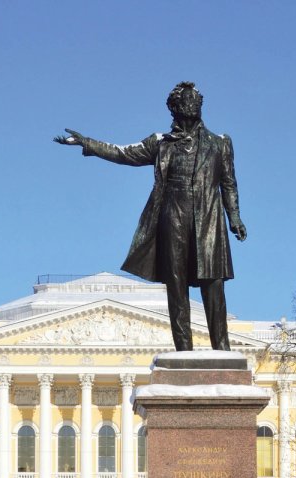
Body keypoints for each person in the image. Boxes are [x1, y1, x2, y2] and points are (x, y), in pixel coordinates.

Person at [55, 81, 247, 352]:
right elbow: (125, 153)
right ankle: (184, 352)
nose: (194, 105)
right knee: (176, 284)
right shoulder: (161, 143)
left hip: (209, 220)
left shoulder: (220, 144)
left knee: (213, 284)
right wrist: (88, 143)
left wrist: (234, 217)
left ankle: (222, 350)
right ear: (175, 108)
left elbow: (228, 182)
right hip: (173, 216)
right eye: (188, 101)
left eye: (197, 101)